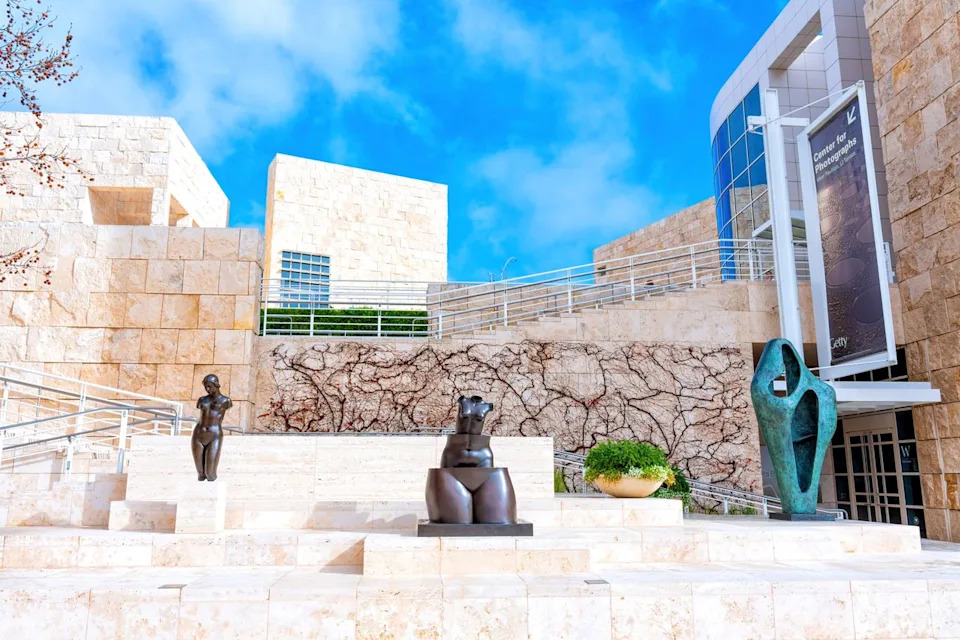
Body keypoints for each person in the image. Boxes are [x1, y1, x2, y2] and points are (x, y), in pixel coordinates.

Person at [191, 374, 232, 481]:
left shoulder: (225, 401)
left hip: (214, 435)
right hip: (198, 435)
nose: (207, 389)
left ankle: (213, 495)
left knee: (210, 473)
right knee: (201, 474)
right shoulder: (202, 400)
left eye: (209, 386)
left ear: (216, 385)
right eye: (205, 387)